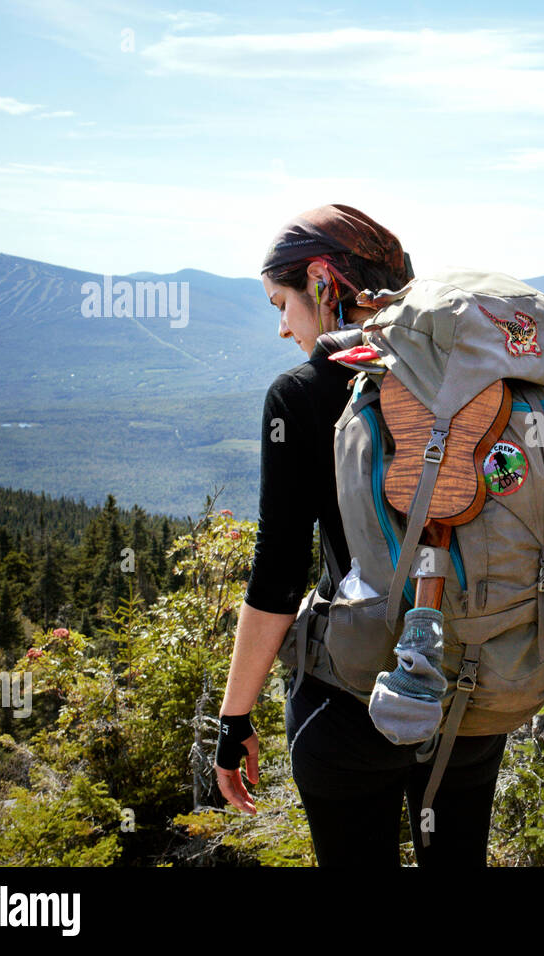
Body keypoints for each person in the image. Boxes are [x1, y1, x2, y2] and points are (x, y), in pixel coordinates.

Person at [214, 203, 509, 867]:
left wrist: (234, 721)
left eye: (280, 302)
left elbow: (279, 574)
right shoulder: (477, 378)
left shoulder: (303, 392)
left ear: (323, 284)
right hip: (466, 701)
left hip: (350, 708)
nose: (283, 325)